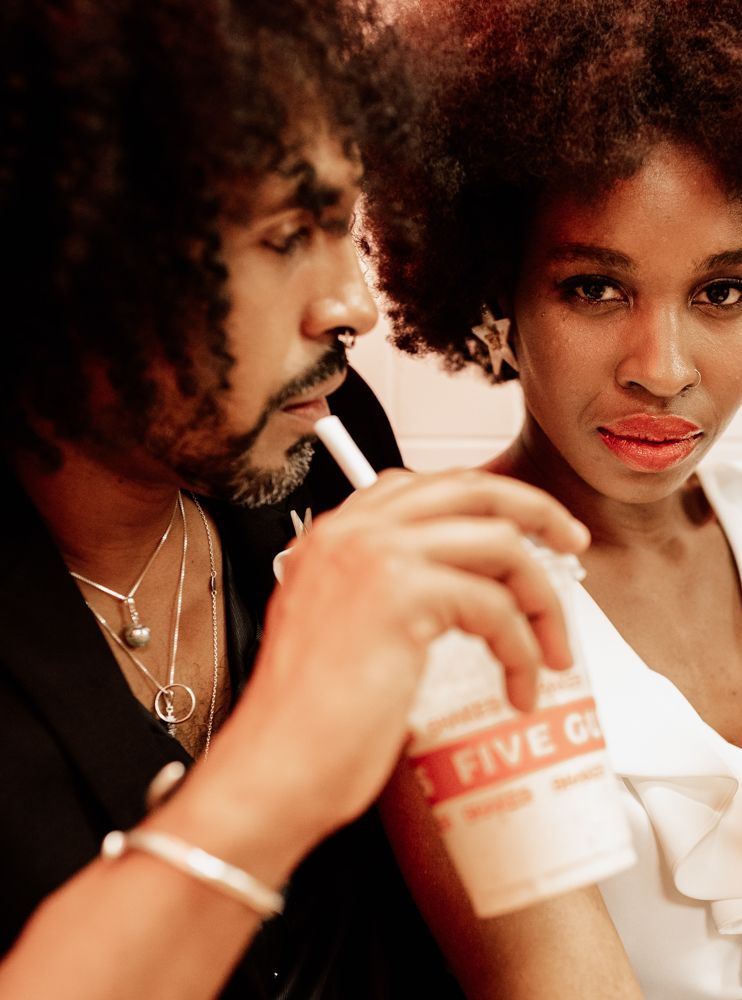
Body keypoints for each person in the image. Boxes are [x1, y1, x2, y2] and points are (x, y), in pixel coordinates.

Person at [362, 1, 742, 997]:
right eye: (594, 289)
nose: (663, 371)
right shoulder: (452, 595)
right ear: (495, 291)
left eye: (721, 291)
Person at [0, 2, 592, 997]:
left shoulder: (327, 443)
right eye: (288, 235)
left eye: (345, 225)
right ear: (73, 257)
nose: (353, 302)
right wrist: (281, 750)